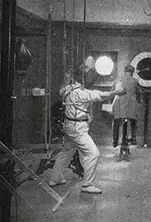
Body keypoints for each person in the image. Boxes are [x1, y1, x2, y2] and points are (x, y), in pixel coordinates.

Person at [48, 66, 124, 194]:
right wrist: (116, 92)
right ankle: (87, 184)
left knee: (66, 151)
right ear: (83, 81)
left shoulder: (68, 89)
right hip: (78, 129)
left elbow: (61, 90)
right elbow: (103, 95)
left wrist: (66, 79)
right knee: (93, 154)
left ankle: (54, 179)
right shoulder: (83, 93)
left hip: (69, 126)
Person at [112, 64, 143, 147]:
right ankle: (133, 139)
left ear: (125, 71)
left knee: (116, 123)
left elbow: (113, 92)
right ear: (132, 73)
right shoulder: (135, 81)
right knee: (133, 122)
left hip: (119, 105)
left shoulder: (118, 80)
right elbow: (140, 92)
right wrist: (139, 101)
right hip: (131, 105)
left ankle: (115, 141)